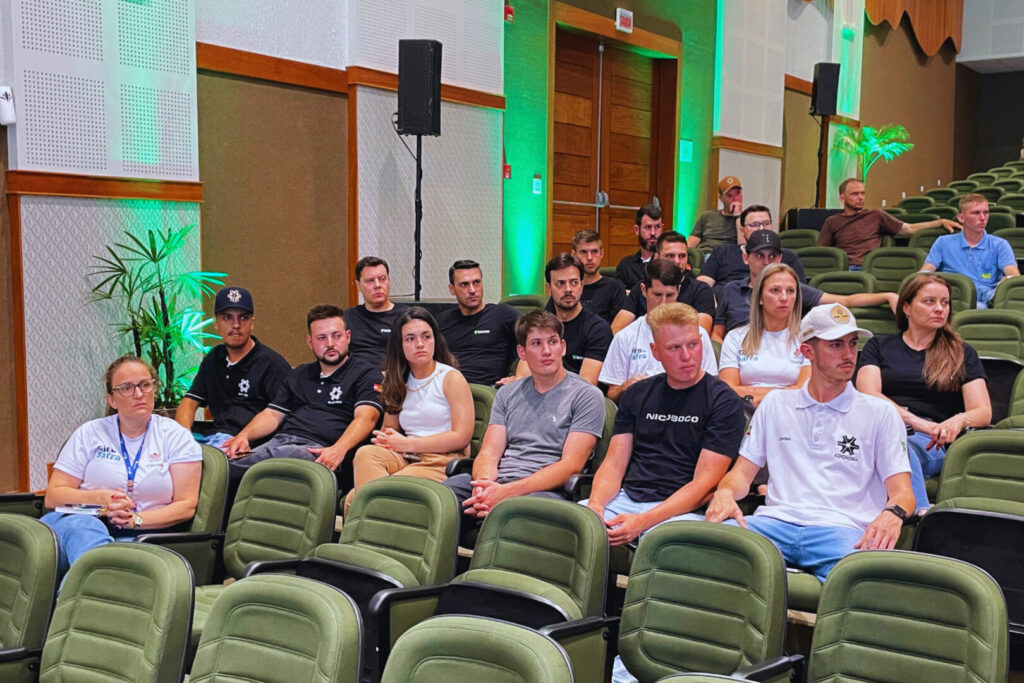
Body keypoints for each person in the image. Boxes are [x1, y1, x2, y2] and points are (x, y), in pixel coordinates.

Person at [706, 304, 915, 583]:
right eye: (836, 345)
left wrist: (893, 514)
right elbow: (741, 475)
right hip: (774, 523)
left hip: (844, 529)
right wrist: (725, 492)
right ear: (807, 352)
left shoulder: (881, 413)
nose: (849, 354)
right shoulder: (776, 403)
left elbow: (903, 493)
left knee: (867, 580)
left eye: (853, 343)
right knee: (705, 549)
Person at [584, 302, 744, 545]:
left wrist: (642, 521)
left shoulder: (724, 401)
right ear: (655, 351)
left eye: (693, 344)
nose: (686, 356)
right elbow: (614, 464)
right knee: (576, 524)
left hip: (682, 509)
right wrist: (596, 505)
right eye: (674, 348)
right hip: (627, 499)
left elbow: (704, 484)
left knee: (663, 542)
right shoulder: (637, 394)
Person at [42, 356, 202, 574]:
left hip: (141, 533)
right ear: (112, 400)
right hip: (79, 523)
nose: (139, 394)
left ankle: (90, 585)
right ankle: (102, 576)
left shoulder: (176, 437)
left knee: (112, 560)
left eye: (145, 385)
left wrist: (135, 520)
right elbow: (53, 496)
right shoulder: (90, 433)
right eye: (126, 388)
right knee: (85, 529)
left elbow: (186, 505)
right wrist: (102, 499)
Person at [444, 311, 605, 525]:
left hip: (546, 490)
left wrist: (506, 493)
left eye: (553, 342)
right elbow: (489, 453)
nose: (547, 351)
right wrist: (483, 487)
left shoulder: (587, 395)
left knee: (516, 512)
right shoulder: (507, 393)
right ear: (522, 352)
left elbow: (571, 466)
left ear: (563, 347)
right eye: (536, 343)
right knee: (441, 499)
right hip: (499, 481)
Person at [856, 274, 991, 512]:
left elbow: (982, 411)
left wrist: (957, 421)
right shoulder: (878, 346)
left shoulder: (961, 352)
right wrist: (916, 422)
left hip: (930, 442)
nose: (939, 308)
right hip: (880, 429)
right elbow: (868, 393)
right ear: (906, 307)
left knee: (897, 446)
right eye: (929, 301)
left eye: (945, 302)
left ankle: (917, 513)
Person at [224, 305, 383, 484]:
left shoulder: (365, 373)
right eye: (321, 338)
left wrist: (338, 450)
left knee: (265, 460)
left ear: (348, 337)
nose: (330, 343)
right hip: (281, 442)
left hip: (320, 449)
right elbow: (272, 414)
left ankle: (220, 471)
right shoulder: (299, 374)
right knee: (242, 457)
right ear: (310, 342)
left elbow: (367, 418)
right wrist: (244, 436)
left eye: (336, 336)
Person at [345, 308, 473, 510]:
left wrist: (408, 443)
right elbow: (390, 429)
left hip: (440, 460)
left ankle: (374, 520)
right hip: (407, 457)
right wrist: (386, 440)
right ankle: (377, 517)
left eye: (426, 336)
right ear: (400, 345)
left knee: (355, 500)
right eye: (410, 339)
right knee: (366, 453)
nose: (420, 344)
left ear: (435, 339)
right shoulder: (399, 380)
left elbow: (462, 437)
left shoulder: (451, 378)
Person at [712, 230, 898, 342]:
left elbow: (846, 301)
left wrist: (887, 296)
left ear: (780, 258)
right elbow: (717, 334)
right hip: (739, 355)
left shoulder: (792, 290)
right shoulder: (731, 289)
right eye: (759, 256)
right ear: (746, 258)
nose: (767, 262)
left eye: (772, 256)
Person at [175, 286, 291, 448]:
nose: (235, 325)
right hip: (214, 438)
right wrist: (183, 436)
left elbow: (279, 415)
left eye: (243, 317)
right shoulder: (214, 358)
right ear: (216, 323)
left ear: (252, 323)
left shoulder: (272, 364)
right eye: (227, 317)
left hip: (251, 446)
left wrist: (245, 437)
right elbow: (189, 401)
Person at [600, 260, 718, 403]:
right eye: (657, 295)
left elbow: (711, 386)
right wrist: (626, 387)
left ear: (678, 291)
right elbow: (611, 395)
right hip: (642, 407)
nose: (663, 303)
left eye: (670, 295)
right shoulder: (625, 337)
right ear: (644, 290)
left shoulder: (697, 334)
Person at [719, 263, 810, 407]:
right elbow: (728, 390)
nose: (784, 297)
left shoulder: (808, 339)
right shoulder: (735, 337)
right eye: (775, 290)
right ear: (760, 297)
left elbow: (805, 391)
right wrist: (783, 392)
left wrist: (755, 393)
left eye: (790, 291)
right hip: (745, 411)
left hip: (792, 411)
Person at [818, 178, 960, 269]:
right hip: (840, 269)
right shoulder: (832, 221)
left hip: (867, 268)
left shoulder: (875, 215)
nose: (860, 197)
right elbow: (822, 252)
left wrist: (940, 222)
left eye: (863, 193)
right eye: (855, 194)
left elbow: (909, 229)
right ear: (842, 198)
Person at [921, 193, 1019, 307]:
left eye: (986, 212)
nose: (983, 218)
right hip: (951, 295)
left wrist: (1006, 280)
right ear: (961, 218)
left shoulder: (1000, 244)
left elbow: (1013, 275)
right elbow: (925, 272)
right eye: (976, 213)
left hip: (984, 298)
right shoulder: (943, 242)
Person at [611, 231, 715, 334]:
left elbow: (701, 335)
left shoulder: (701, 290)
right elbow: (616, 329)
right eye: (670, 256)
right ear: (656, 258)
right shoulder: (644, 286)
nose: (677, 261)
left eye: (682, 256)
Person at [437, 260, 519, 386]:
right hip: (449, 388)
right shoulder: (444, 320)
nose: (472, 290)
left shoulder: (503, 314)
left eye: (476, 282)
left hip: (487, 390)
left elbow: (532, 343)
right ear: (452, 289)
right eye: (464, 284)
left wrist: (519, 377)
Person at [697, 205, 806, 294]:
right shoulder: (723, 252)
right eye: (754, 225)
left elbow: (801, 291)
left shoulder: (788, 256)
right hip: (725, 304)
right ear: (742, 229)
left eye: (766, 224)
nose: (761, 228)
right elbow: (703, 284)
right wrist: (711, 302)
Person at [543, 253, 613, 385]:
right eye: (560, 283)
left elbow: (586, 385)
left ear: (582, 286)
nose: (568, 289)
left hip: (578, 396)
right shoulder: (539, 327)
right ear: (549, 289)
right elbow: (523, 374)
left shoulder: (598, 329)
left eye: (574, 283)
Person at [344, 256, 407, 367]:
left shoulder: (406, 316)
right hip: (357, 375)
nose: (377, 285)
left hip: (394, 375)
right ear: (358, 285)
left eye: (382, 279)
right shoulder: (347, 318)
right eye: (370, 281)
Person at [572, 229, 627, 323]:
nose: (589, 258)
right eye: (583, 252)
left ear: (601, 253)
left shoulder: (615, 288)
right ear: (573, 254)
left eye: (594, 251)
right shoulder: (567, 287)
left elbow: (620, 327)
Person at [614, 204, 664, 290]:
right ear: (637, 230)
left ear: (662, 228)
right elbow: (618, 294)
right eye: (648, 227)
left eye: (657, 227)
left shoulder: (669, 261)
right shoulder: (626, 265)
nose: (653, 233)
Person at [688, 176, 742, 255]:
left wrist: (738, 217)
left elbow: (743, 247)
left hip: (728, 257)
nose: (735, 199)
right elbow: (690, 244)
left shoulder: (747, 219)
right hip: (706, 255)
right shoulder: (707, 216)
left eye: (737, 193)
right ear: (720, 198)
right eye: (729, 195)